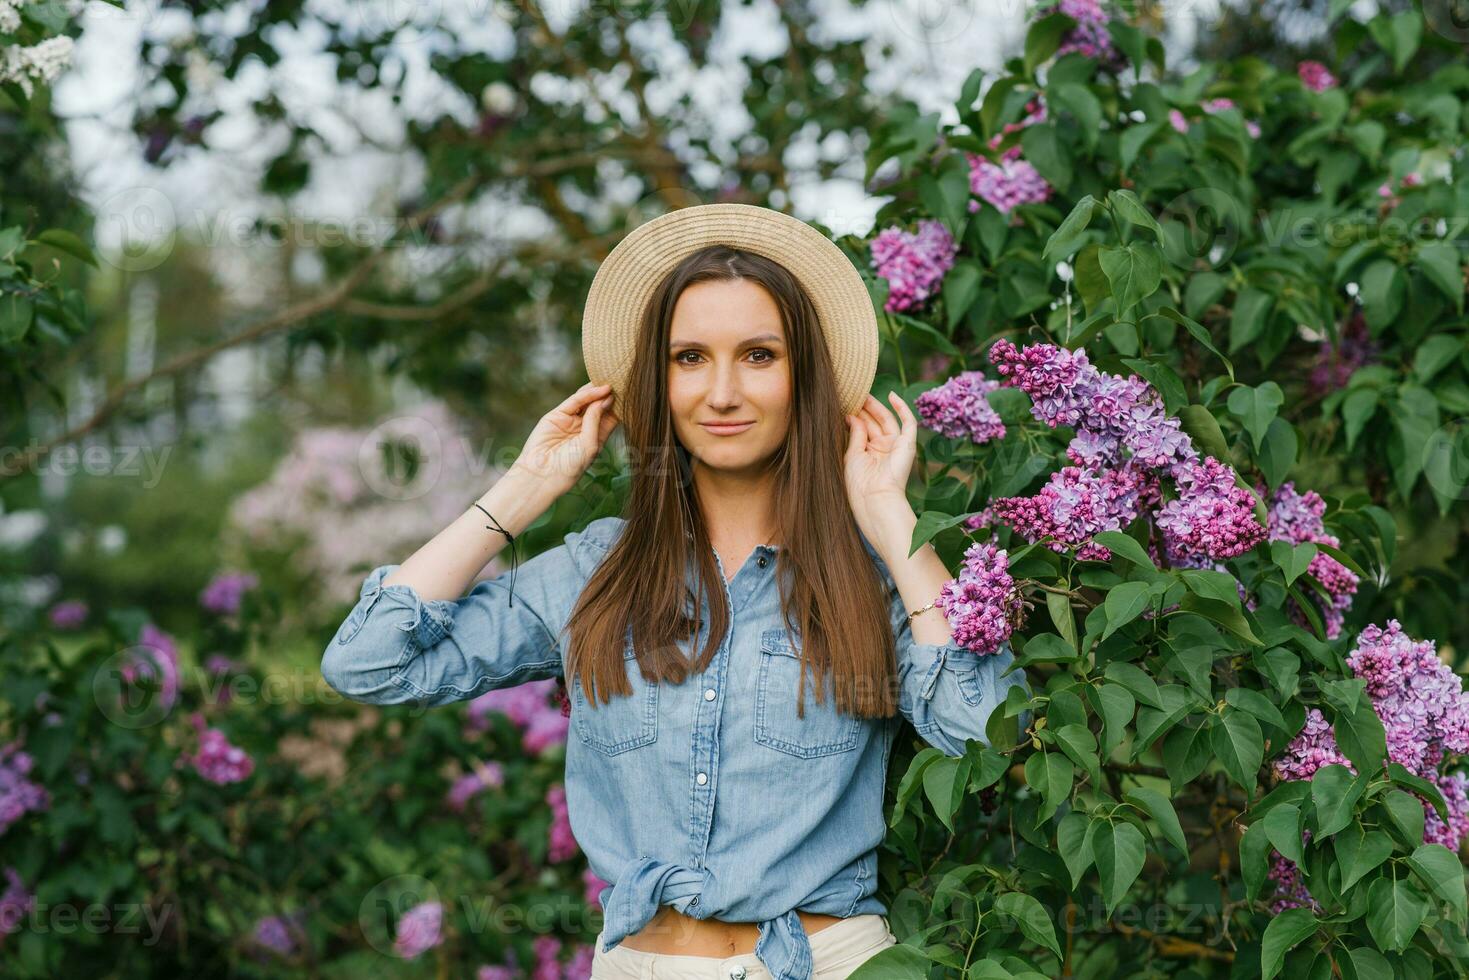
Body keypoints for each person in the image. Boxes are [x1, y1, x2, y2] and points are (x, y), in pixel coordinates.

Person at [320, 203, 1028, 980]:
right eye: (689, 358)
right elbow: (370, 663)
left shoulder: (868, 576)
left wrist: (895, 528)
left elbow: (991, 735)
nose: (721, 392)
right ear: (657, 381)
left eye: (759, 355)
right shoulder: (595, 571)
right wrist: (527, 488)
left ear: (805, 379)